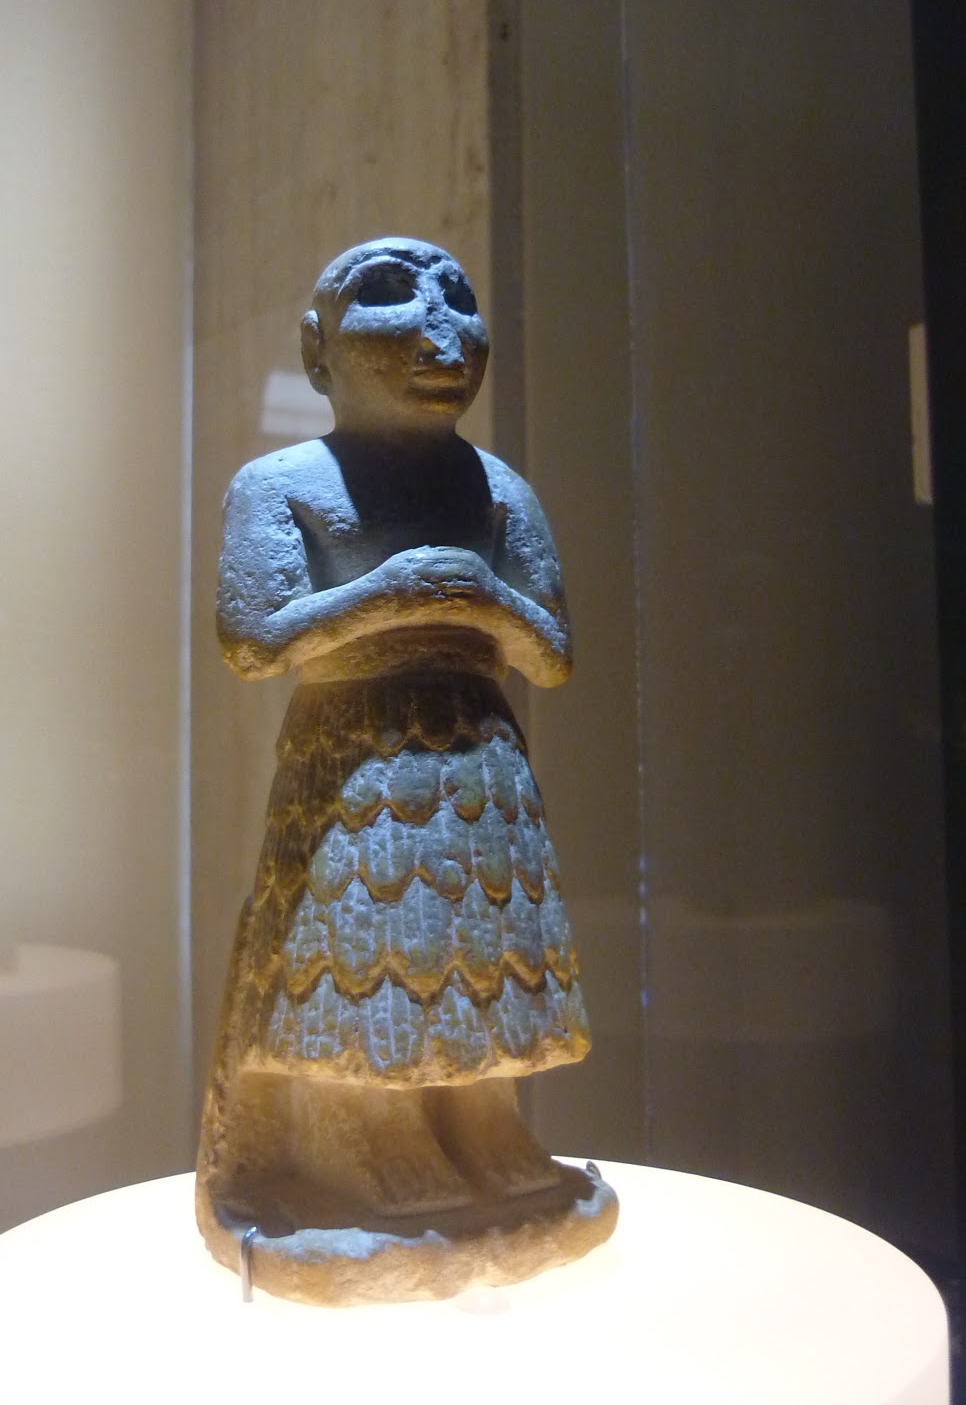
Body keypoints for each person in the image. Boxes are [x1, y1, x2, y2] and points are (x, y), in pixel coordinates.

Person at [197, 238, 595, 1278]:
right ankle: (364, 1143)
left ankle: (490, 1134)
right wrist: (387, 595)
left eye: (458, 297)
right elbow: (252, 640)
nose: (441, 328)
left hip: (477, 757)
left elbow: (551, 654)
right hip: (352, 757)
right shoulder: (282, 483)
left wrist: (484, 596)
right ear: (317, 352)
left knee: (477, 952)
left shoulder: (496, 487)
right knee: (364, 943)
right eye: (390, 295)